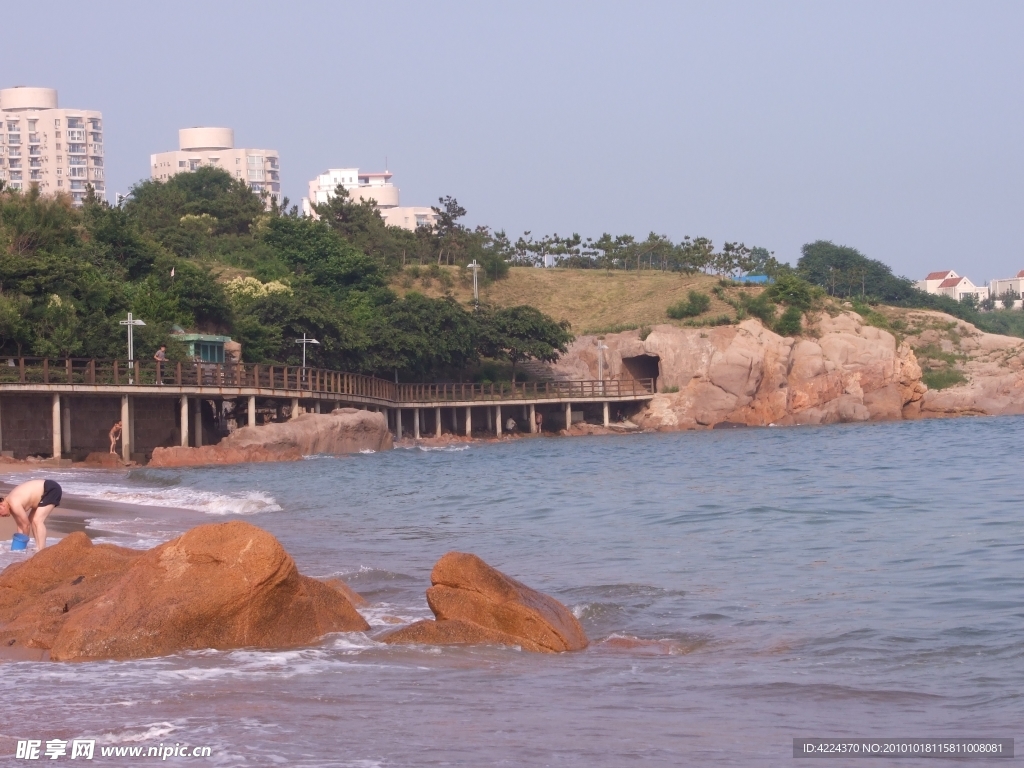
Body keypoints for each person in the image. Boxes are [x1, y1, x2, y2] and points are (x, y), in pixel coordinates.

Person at [0, 479, 63, 551]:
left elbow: (26, 525)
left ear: (1, 505)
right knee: (33, 520)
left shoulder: (14, 503)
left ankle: (41, 549)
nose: (1, 516)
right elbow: (20, 526)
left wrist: (23, 544)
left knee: (37, 520)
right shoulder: (10, 504)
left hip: (50, 489)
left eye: (0, 513)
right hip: (42, 495)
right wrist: (17, 548)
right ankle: (38, 547)